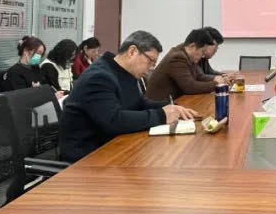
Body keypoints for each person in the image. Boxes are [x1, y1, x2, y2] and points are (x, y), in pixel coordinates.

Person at [59, 31, 196, 162]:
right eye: (151, 61)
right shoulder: (98, 77)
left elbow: (139, 103)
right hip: (86, 158)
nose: (151, 68)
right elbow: (114, 120)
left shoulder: (123, 73)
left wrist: (171, 107)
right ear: (132, 52)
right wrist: (162, 115)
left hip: (112, 147)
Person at [144, 28, 227, 101]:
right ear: (193, 46)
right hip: (160, 106)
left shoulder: (187, 54)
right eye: (202, 51)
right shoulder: (177, 58)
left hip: (175, 102)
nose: (203, 55)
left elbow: (199, 76)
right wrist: (215, 84)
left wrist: (216, 79)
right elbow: (190, 87)